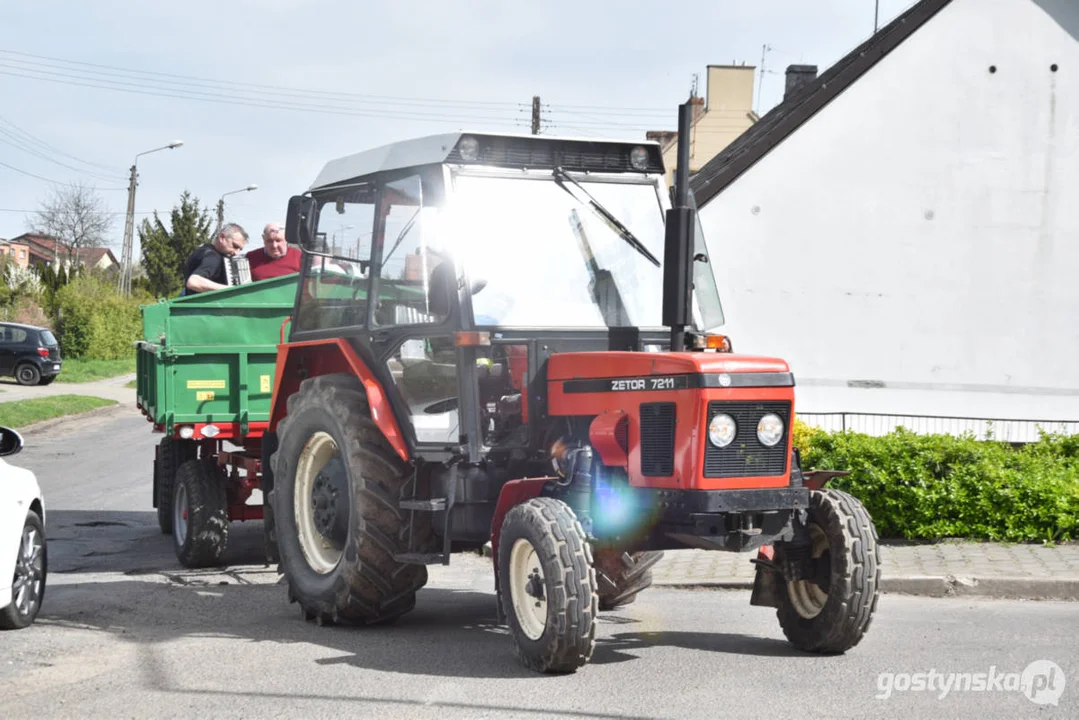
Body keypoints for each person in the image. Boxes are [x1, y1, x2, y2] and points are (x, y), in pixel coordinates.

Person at [183, 223, 248, 294]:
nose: (236, 253)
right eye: (235, 246)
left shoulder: (203, 250)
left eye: (240, 249)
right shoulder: (213, 257)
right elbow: (193, 282)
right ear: (222, 237)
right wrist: (233, 290)